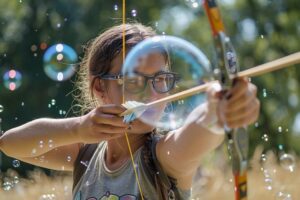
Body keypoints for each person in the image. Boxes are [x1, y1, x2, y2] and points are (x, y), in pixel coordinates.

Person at [0, 23, 260, 200]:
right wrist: (78, 128)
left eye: (161, 79)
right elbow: (10, 144)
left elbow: (196, 132)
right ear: (100, 86)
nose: (152, 94)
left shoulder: (163, 157)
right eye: (134, 81)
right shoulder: (85, 155)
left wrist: (219, 111)